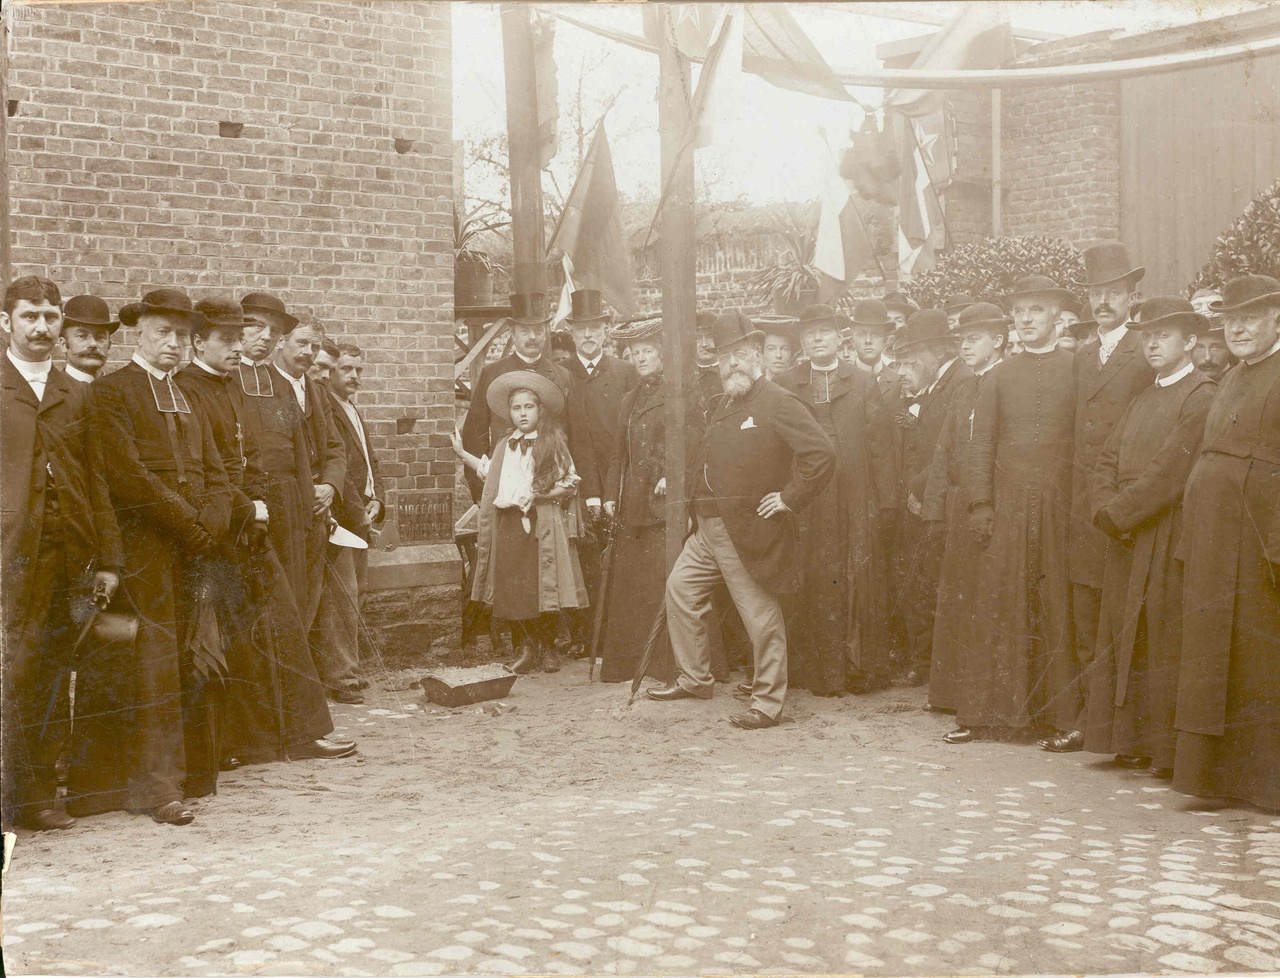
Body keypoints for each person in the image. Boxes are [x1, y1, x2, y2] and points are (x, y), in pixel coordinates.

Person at [77, 288, 238, 825]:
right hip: (145, 547)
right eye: (162, 332)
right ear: (139, 333)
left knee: (188, 658)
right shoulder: (113, 392)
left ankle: (190, 774)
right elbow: (127, 477)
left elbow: (215, 468)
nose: (173, 343)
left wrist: (212, 523)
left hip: (191, 546)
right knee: (151, 666)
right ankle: (153, 788)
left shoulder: (186, 393)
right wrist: (188, 525)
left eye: (180, 334)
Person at [176, 298, 353, 768]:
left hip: (274, 517)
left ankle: (296, 732)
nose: (256, 339)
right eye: (244, 330)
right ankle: (240, 742)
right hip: (228, 520)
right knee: (241, 631)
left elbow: (291, 453)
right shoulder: (201, 384)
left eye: (262, 331)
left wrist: (304, 506)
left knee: (283, 621)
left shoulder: (276, 386)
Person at [647, 311, 835, 730]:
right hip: (708, 528)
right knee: (680, 590)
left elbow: (820, 454)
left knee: (759, 615)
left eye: (741, 355)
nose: (732, 363)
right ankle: (695, 678)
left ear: (758, 357)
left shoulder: (778, 401)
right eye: (726, 356)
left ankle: (768, 703)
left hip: (746, 530)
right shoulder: (724, 403)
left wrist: (788, 498)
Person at [1, 276, 120, 832]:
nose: (42, 327)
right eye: (30, 316)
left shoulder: (75, 393)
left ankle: (35, 798)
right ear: (8, 322)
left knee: (49, 675)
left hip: (66, 556)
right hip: (8, 558)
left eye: (50, 316)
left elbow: (96, 480)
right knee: (11, 672)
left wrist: (108, 560)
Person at [1083, 296, 1215, 777]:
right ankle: (1129, 741)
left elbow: (1169, 473)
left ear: (1191, 341)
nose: (1154, 343)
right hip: (1125, 532)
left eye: (1165, 334)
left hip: (1164, 531)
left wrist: (1119, 513)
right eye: (1148, 335)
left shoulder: (1201, 395)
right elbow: (1106, 459)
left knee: (1161, 635)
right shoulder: (1142, 396)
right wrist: (1103, 507)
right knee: (1125, 632)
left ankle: (1162, 748)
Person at [946, 275, 1076, 744]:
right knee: (998, 605)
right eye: (1020, 310)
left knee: (1059, 606)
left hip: (1060, 505)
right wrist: (981, 503)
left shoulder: (1076, 367)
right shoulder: (999, 374)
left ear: (1057, 316)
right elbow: (981, 444)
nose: (1026, 318)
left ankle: (1063, 720)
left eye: (1036, 310)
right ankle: (987, 716)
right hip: (1009, 505)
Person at [1174, 274, 1280, 811]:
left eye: (1251, 319)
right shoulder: (1235, 375)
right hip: (1216, 535)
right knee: (1216, 655)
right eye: (1231, 320)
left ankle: (1265, 783)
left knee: (1260, 657)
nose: (1238, 329)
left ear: (1276, 319)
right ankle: (1217, 777)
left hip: (1260, 538)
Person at [1048, 242, 1153, 755]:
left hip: (1128, 503)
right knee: (1087, 614)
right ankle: (1091, 724)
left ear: (1133, 297)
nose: (1105, 302)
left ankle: (1132, 732)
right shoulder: (1081, 356)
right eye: (1097, 294)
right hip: (1082, 506)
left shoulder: (1145, 350)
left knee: (1131, 616)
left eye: (1115, 293)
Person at [776, 304, 886, 695]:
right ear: (802, 343)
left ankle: (853, 669)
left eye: (824, 332)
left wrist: (880, 498)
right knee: (808, 574)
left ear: (841, 338)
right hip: (807, 495)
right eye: (810, 334)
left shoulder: (862, 380)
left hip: (854, 492)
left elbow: (879, 442)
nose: (817, 339)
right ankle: (806, 669)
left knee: (852, 576)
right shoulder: (787, 382)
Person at [454, 370, 588, 674]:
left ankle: (549, 647)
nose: (522, 414)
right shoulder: (504, 444)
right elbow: (491, 475)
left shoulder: (551, 443)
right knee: (515, 587)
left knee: (543, 585)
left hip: (542, 521)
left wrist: (541, 496)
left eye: (528, 407)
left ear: (540, 410)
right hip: (510, 522)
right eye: (516, 408)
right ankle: (526, 648)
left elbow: (569, 482)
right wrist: (463, 454)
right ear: (509, 413)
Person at [597, 318, 701, 683]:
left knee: (664, 580)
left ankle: (667, 665)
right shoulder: (630, 398)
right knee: (632, 585)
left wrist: (672, 474)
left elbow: (692, 443)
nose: (640, 359)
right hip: (632, 505)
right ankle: (629, 665)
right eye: (635, 353)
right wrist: (611, 495)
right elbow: (617, 455)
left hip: (663, 505)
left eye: (647, 352)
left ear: (662, 355)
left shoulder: (679, 394)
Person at [922, 302, 1008, 712]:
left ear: (999, 339)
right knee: (956, 597)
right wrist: (935, 509)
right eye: (963, 339)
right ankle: (951, 694)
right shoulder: (962, 388)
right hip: (957, 503)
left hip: (990, 504)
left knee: (985, 598)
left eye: (975, 339)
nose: (966, 346)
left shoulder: (1006, 382)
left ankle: (980, 695)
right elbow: (945, 451)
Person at [885, 308, 970, 686]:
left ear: (934, 351)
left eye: (908, 359)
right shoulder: (936, 384)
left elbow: (951, 450)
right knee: (919, 581)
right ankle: (927, 661)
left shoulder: (960, 383)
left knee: (936, 583)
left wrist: (918, 488)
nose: (901, 370)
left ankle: (938, 666)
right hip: (920, 500)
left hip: (939, 502)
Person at [272, 312, 352, 697]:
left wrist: (330, 487)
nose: (308, 352)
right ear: (281, 343)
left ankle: (301, 694)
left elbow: (336, 449)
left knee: (311, 601)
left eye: (315, 347)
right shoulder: (265, 387)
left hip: (317, 515)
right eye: (301, 343)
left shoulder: (318, 393)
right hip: (281, 515)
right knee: (283, 607)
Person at [562, 290, 639, 654]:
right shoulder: (562, 375)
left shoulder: (625, 373)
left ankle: (616, 636)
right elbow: (574, 439)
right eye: (582, 329)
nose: (589, 335)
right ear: (572, 333)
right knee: (584, 559)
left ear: (605, 331)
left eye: (595, 327)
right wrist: (588, 491)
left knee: (621, 556)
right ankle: (584, 637)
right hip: (576, 481)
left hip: (620, 478)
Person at [320, 341, 387, 680]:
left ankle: (349, 668)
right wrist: (357, 508)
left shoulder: (351, 408)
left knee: (356, 593)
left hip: (361, 513)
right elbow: (338, 466)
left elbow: (369, 460)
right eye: (346, 369)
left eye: (359, 370)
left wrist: (379, 498)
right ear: (330, 371)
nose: (354, 376)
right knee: (342, 597)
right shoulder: (326, 409)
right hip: (343, 517)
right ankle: (341, 674)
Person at [58, 295, 118, 384]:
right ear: (63, 344)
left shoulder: (121, 392)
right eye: (81, 336)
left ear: (109, 345)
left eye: (100, 337)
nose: (93, 344)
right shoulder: (50, 392)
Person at [693, 312, 723, 410]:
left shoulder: (730, 371)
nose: (704, 344)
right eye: (697, 338)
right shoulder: (686, 377)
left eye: (710, 337)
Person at [759, 315, 800, 380]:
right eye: (771, 349)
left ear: (791, 355)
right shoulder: (755, 389)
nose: (778, 355)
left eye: (784, 349)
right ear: (762, 353)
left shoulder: (801, 389)